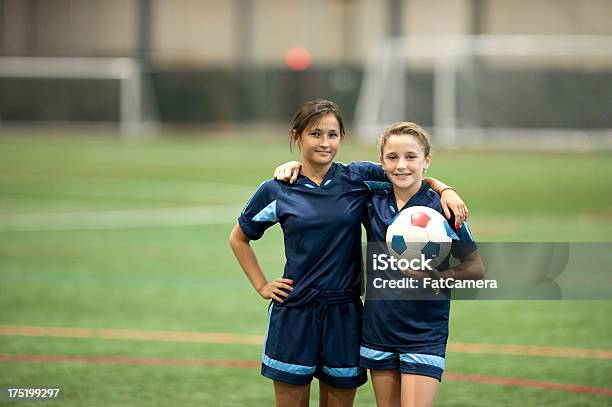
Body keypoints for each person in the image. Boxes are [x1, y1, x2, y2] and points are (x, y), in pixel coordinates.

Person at [229, 100, 467, 407]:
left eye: (332, 134)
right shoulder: (277, 189)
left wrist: (445, 188)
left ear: (342, 137)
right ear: (296, 137)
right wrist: (262, 285)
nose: (325, 143)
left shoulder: (356, 179)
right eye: (315, 134)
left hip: (345, 313)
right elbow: (238, 238)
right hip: (295, 312)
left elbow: (407, 171)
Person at [359, 122, 485, 407]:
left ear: (426, 161)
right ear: (382, 162)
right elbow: (329, 170)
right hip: (379, 326)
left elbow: (476, 267)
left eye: (411, 157)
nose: (401, 165)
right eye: (392, 157)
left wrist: (441, 277)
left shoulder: (443, 208)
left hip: (424, 331)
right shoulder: (372, 200)